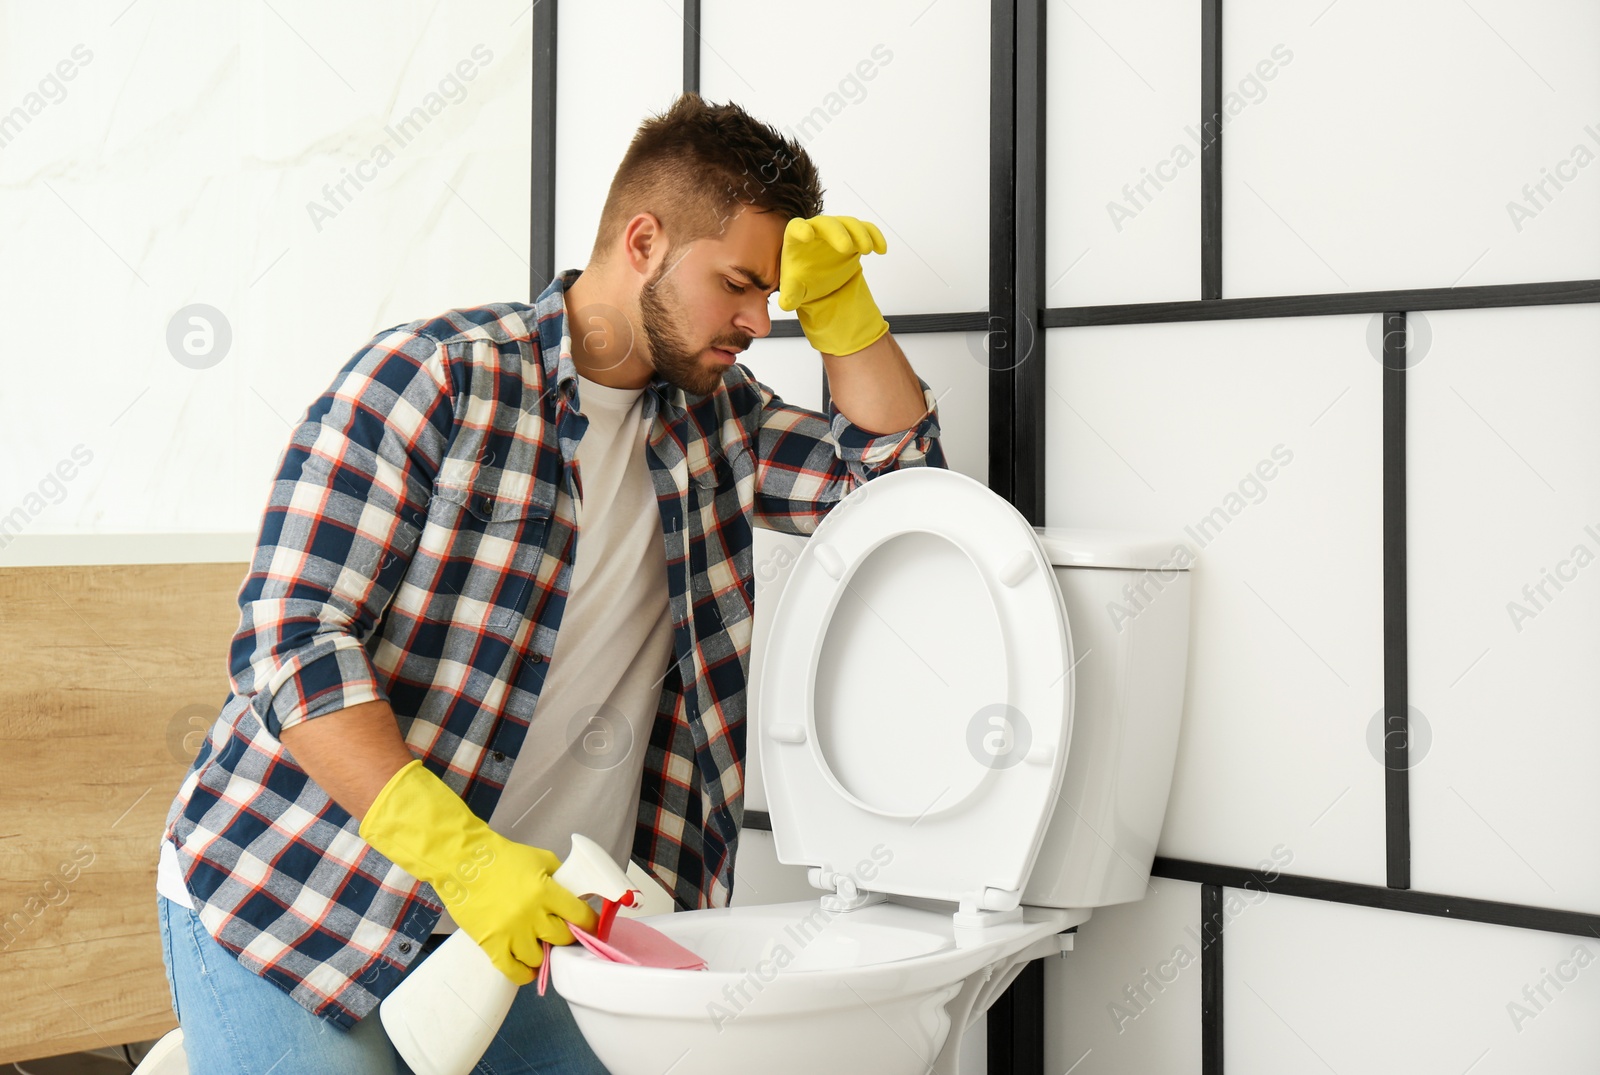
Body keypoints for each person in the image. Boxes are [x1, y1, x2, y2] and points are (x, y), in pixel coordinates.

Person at [155, 90, 946, 1073]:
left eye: (777, 295)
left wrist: (844, 315)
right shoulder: (439, 378)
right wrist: (461, 856)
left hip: (542, 928)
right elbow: (291, 643)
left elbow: (897, 492)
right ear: (645, 240)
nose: (758, 319)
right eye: (741, 283)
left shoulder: (720, 424)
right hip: (307, 899)